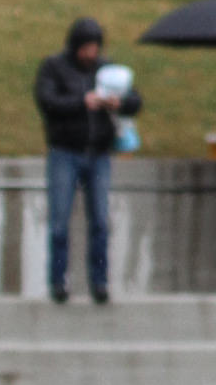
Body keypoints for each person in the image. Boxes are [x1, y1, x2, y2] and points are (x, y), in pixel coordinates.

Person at [34, 16, 142, 304]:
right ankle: (58, 280)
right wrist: (82, 101)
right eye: (86, 48)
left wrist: (118, 103)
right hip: (64, 152)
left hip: (99, 153)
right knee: (59, 222)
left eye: (95, 48)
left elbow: (135, 101)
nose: (91, 53)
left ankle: (100, 280)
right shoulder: (54, 67)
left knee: (100, 222)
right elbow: (47, 101)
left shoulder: (107, 70)